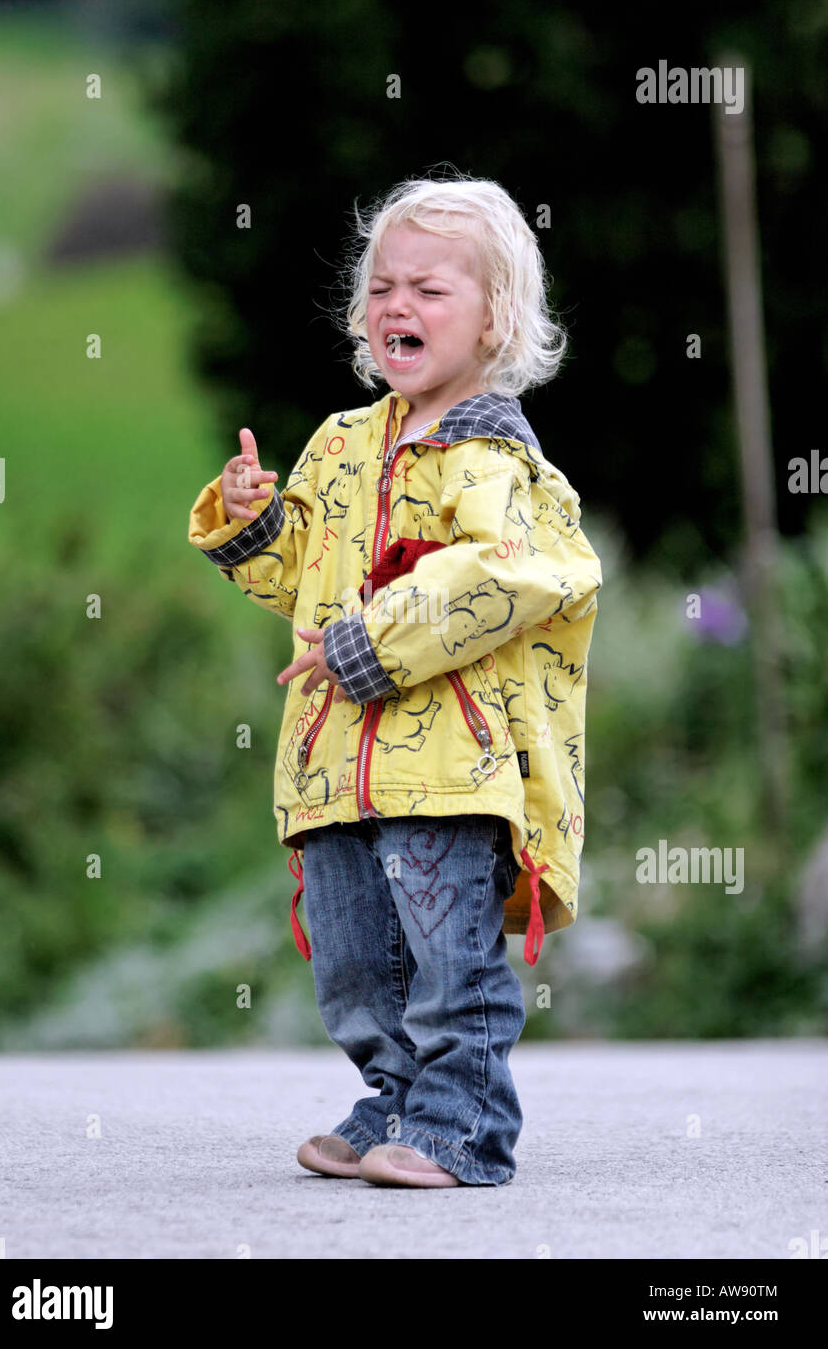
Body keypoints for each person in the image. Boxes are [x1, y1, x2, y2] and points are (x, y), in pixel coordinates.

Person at [188, 174, 602, 1188]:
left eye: (427, 289)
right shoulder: (338, 444)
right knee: (354, 961)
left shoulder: (494, 459)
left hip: (451, 765)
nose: (394, 307)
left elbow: (508, 576)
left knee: (446, 954)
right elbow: (296, 580)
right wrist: (252, 521)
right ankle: (393, 1096)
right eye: (379, 289)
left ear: (495, 319)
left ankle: (464, 1122)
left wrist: (372, 643)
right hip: (333, 762)